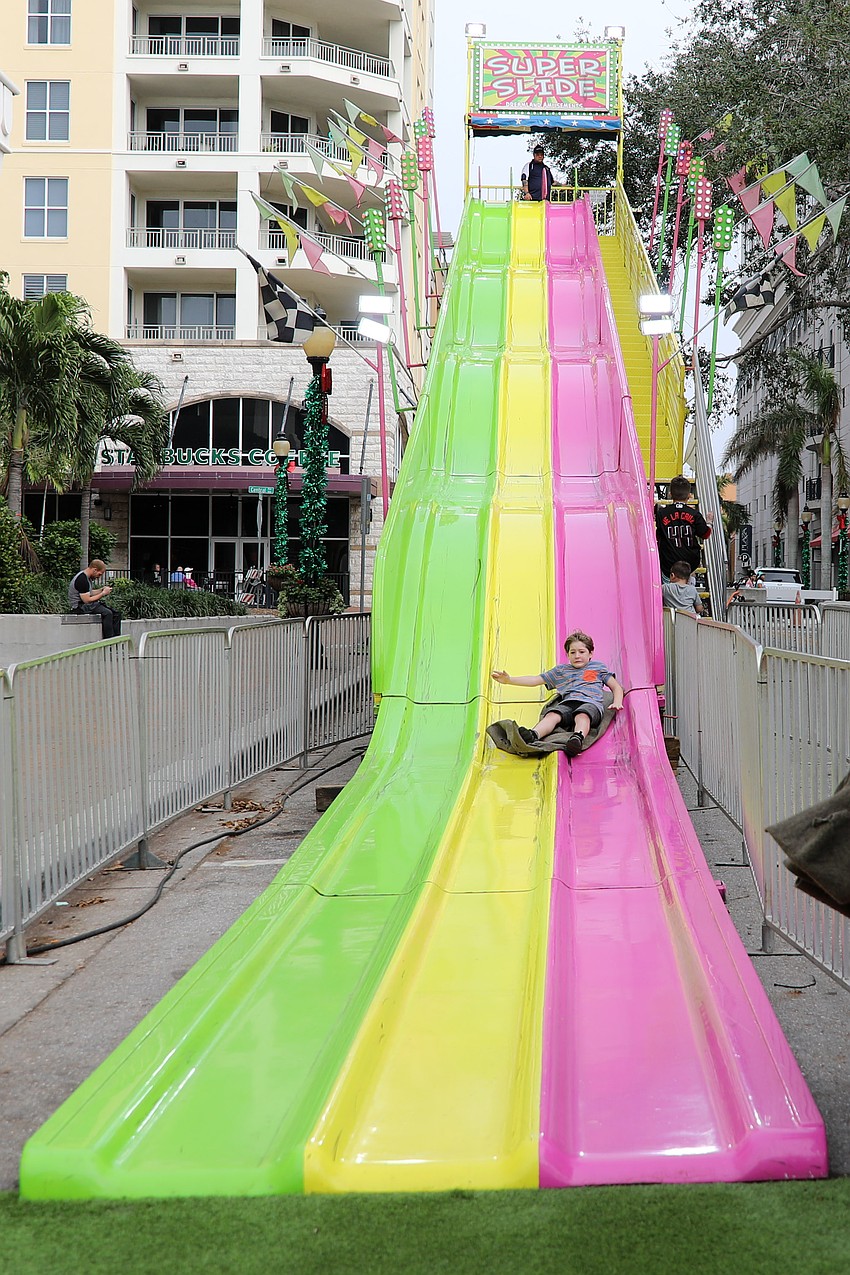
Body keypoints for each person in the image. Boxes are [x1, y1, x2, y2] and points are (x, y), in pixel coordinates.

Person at [491, 629, 625, 758]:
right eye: (572, 652)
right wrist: (509, 680)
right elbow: (535, 680)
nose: (577, 655)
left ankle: (577, 738)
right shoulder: (561, 670)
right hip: (568, 703)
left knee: (582, 714)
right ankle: (533, 735)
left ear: (590, 654)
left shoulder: (597, 667)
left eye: (581, 652)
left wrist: (617, 701)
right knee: (553, 714)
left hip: (591, 703)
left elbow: (616, 687)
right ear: (567, 655)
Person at [655, 475, 714, 581]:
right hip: (689, 563)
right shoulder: (695, 514)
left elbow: (658, 536)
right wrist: (709, 522)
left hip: (668, 563)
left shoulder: (661, 514)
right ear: (689, 496)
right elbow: (705, 534)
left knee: (668, 591)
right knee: (686, 589)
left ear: (670, 494)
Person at [68, 559, 122, 639]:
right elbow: (87, 600)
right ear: (95, 570)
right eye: (99, 574)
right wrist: (103, 593)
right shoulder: (82, 579)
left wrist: (101, 589)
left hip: (85, 605)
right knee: (107, 613)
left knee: (116, 614)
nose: (98, 577)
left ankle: (116, 640)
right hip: (79, 607)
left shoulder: (87, 578)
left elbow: (89, 593)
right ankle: (109, 641)